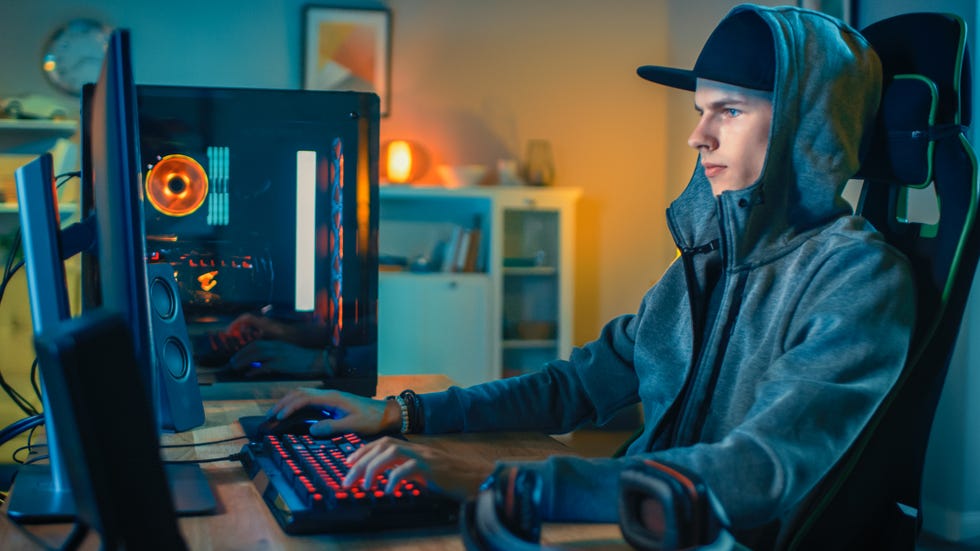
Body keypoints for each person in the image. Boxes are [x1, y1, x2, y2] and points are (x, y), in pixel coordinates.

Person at [267, 4, 915, 545]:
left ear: (808, 130)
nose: (698, 137)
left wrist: (514, 481)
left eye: (730, 110)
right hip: (637, 520)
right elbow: (573, 386)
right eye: (700, 110)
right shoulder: (702, 263)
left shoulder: (857, 277)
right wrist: (398, 412)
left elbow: (758, 469)